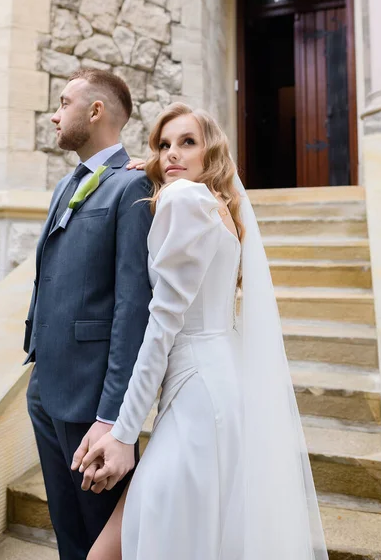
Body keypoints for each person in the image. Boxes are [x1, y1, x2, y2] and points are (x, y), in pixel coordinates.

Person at [73, 103, 329, 560]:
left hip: (197, 399)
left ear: (211, 151)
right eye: (163, 145)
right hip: (220, 385)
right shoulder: (219, 209)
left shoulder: (183, 200)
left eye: (187, 143)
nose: (172, 154)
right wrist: (156, 174)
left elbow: (163, 323)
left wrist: (124, 432)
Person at [24, 68, 153, 559]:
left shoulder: (132, 187)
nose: (54, 115)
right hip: (45, 387)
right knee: (68, 530)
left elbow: (132, 307)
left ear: (95, 111)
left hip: (92, 399)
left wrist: (113, 416)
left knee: (104, 537)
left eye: (63, 102)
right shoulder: (64, 186)